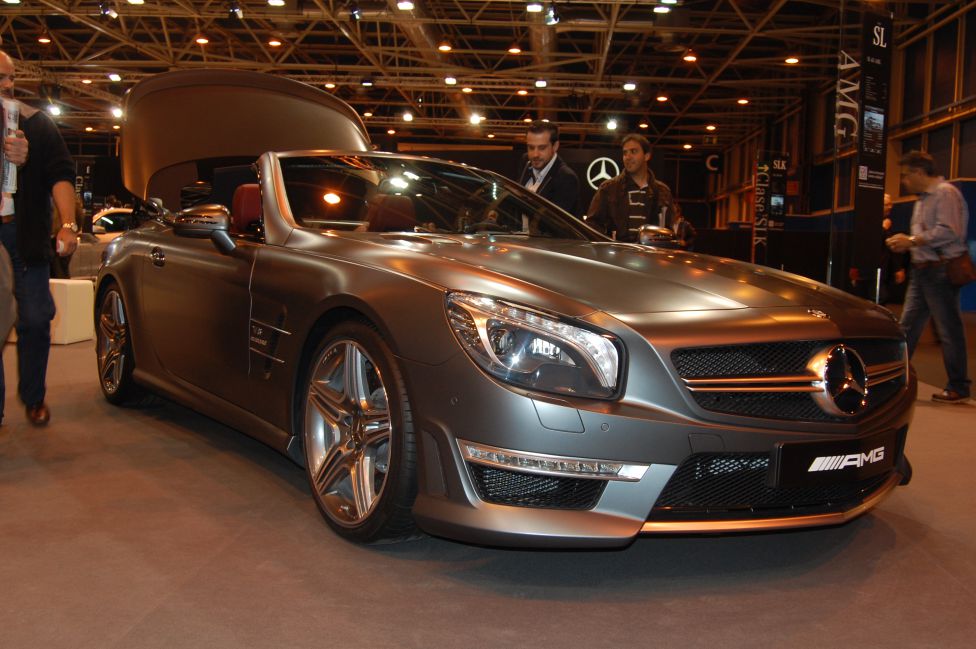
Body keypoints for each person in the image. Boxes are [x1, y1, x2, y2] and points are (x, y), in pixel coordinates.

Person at [0, 49, 78, 427]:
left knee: (35, 317)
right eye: (0, 77)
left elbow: (61, 174)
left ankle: (34, 396)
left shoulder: (36, 123)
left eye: (11, 76)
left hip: (25, 234)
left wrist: (68, 223)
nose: (9, 84)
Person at [885, 150, 970, 404]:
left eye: (906, 175)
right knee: (907, 327)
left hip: (939, 270)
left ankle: (959, 386)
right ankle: (893, 379)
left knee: (948, 330)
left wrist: (909, 241)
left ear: (919, 172)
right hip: (923, 270)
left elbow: (948, 232)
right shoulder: (924, 198)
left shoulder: (945, 194)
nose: (904, 181)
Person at [586, 133, 676, 242]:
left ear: (647, 156)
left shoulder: (663, 192)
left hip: (652, 256)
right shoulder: (608, 189)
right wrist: (608, 246)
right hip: (617, 256)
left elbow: (669, 232)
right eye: (625, 153)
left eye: (633, 151)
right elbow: (592, 225)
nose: (628, 157)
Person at [517, 121, 581, 216]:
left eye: (542, 148)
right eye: (531, 147)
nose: (535, 154)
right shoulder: (525, 161)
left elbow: (555, 224)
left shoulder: (566, 178)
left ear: (555, 146)